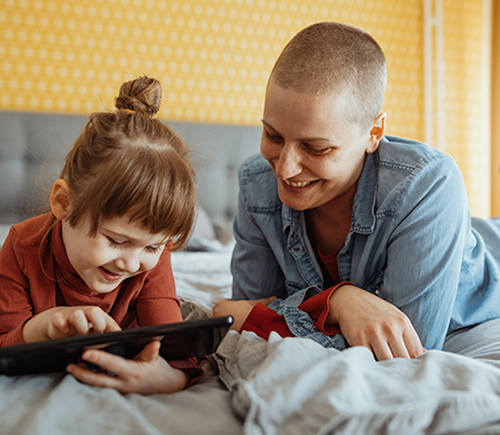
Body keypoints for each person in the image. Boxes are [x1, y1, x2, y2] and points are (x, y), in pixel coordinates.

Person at [213, 22, 500, 361]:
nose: (285, 168)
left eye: (316, 148)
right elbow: (247, 326)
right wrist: (336, 302)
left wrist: (323, 302)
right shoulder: (256, 185)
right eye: (274, 136)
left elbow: (404, 347)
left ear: (373, 132)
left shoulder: (428, 184)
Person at [0, 76, 203, 394]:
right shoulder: (21, 246)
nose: (132, 263)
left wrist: (170, 380)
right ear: (64, 203)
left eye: (153, 246)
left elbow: (175, 350)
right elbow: (3, 343)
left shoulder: (151, 257)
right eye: (116, 241)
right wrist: (40, 327)